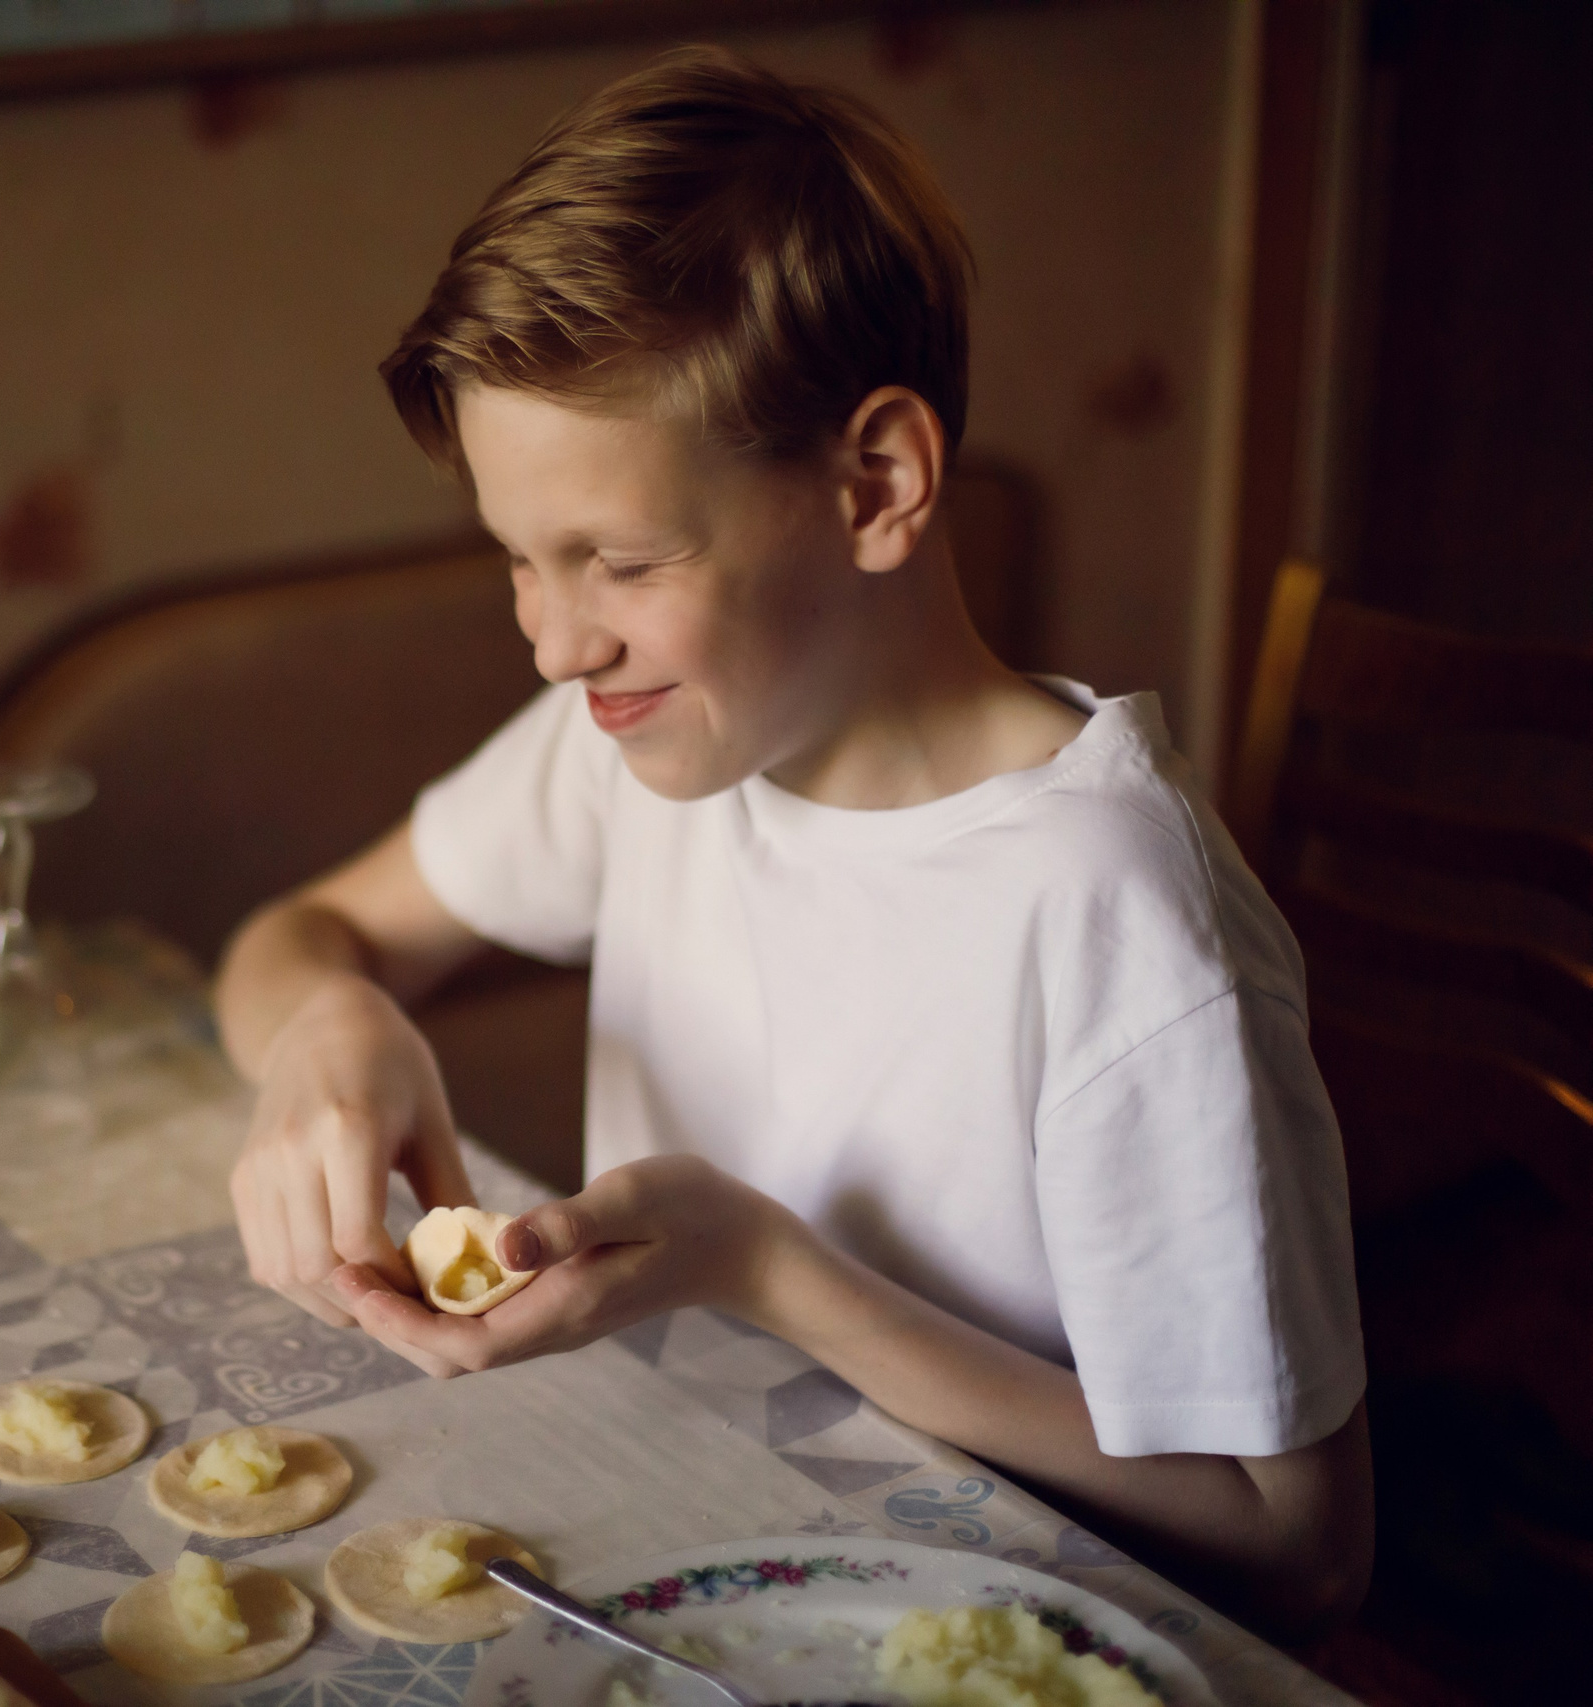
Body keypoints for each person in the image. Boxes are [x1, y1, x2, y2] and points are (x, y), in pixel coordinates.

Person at [215, 48, 1370, 1637]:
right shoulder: (634, 743)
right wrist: (334, 1019)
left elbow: (1297, 1541)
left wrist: (766, 1272)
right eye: (518, 564)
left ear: (876, 482)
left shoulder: (1114, 909)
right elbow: (295, 941)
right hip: (676, 1568)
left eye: (615, 559)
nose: (556, 646)